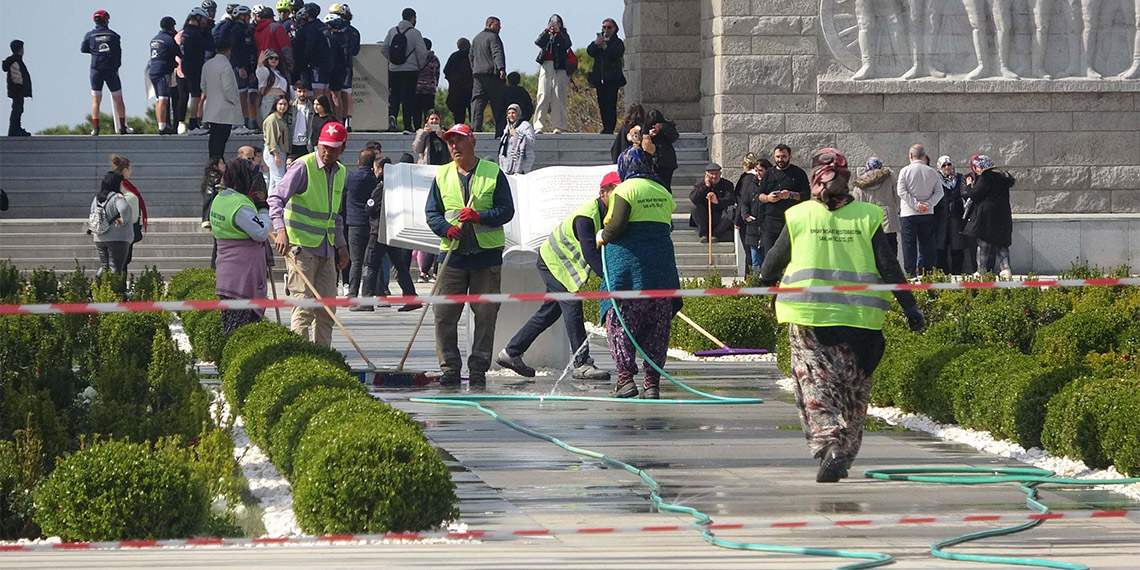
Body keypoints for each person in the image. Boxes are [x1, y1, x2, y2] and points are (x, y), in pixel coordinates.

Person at [760, 147, 924, 482]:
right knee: (852, 391)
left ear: (814, 177)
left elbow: (770, 265)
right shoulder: (867, 215)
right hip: (861, 323)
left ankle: (829, 445)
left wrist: (767, 284)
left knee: (815, 386)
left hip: (810, 318)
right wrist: (910, 306)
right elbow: (889, 265)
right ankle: (845, 452)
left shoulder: (800, 215)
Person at [497, 172, 618, 381]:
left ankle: (511, 352)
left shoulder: (606, 213)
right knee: (573, 309)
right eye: (616, 193)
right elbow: (590, 253)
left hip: (559, 264)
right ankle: (581, 364)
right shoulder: (587, 216)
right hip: (554, 262)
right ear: (603, 193)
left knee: (549, 313)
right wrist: (609, 279)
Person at [424, 123, 515, 389]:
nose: (454, 146)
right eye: (450, 142)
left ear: (472, 142)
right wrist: (446, 228)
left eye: (458, 141)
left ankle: (478, 369)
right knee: (443, 315)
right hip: (452, 257)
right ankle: (450, 368)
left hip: (486, 257)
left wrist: (479, 217)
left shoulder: (492, 172)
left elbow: (506, 210)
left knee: (486, 315)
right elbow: (432, 213)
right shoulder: (442, 176)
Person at [598, 127, 680, 400]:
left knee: (621, 324)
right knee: (657, 326)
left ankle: (625, 380)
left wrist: (602, 235)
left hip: (628, 271)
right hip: (660, 269)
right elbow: (666, 225)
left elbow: (618, 225)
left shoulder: (625, 190)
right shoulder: (662, 190)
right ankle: (652, 383)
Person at [269, 120, 350, 346]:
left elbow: (336, 214)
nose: (327, 152)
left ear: (342, 148)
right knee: (303, 307)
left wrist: (342, 246)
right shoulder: (303, 166)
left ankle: (322, 356)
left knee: (327, 310)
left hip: (327, 248)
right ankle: (301, 357)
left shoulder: (341, 172)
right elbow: (275, 199)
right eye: (324, 146)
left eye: (333, 148)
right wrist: (280, 230)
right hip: (300, 247)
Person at [210, 158, 271, 335]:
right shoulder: (240, 204)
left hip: (227, 272)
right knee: (242, 330)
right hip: (242, 276)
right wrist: (262, 208)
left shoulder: (221, 198)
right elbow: (261, 232)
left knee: (231, 326)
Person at [962, 154, 1014, 279]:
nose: (976, 170)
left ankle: (981, 271)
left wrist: (969, 185)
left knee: (983, 242)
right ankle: (1006, 270)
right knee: (1002, 243)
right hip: (1003, 215)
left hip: (987, 216)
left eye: (976, 167)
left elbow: (973, 195)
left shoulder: (986, 177)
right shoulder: (1003, 177)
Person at [895, 143, 943, 277]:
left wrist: (916, 205)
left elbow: (901, 192)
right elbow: (940, 193)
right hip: (928, 213)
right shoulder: (932, 172)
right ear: (924, 155)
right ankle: (929, 273)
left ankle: (911, 273)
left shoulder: (905, 171)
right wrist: (928, 204)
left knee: (909, 245)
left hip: (908, 213)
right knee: (928, 244)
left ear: (910, 156)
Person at [82, 10, 131, 135]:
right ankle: (123, 127)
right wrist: (116, 65)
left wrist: (96, 51)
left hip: (96, 69)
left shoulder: (89, 35)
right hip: (111, 70)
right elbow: (118, 52)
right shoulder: (113, 35)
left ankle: (96, 128)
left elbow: (83, 49)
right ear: (106, 20)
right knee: (118, 99)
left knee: (96, 99)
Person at [380, 7, 428, 133]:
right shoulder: (415, 33)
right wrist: (419, 65)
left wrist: (392, 61)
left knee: (394, 96)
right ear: (412, 18)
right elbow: (422, 52)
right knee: (408, 98)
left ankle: (392, 119)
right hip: (410, 70)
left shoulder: (392, 31)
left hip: (394, 70)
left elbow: (384, 49)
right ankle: (407, 125)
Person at [757, 144, 809, 256]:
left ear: (790, 156)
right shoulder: (768, 173)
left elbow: (806, 195)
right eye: (778, 157)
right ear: (774, 157)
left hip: (791, 221)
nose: (781, 159)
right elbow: (759, 195)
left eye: (784, 156)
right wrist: (768, 198)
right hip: (770, 221)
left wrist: (790, 195)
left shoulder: (798, 173)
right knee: (769, 255)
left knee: (790, 255)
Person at [344, 148, 377, 308]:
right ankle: (371, 294)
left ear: (358, 163)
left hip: (354, 224)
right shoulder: (374, 180)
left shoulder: (351, 177)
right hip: (370, 224)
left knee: (356, 261)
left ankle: (352, 293)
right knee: (368, 262)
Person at [851, 157, 900, 260]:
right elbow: (897, 196)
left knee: (873, 249)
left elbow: (856, 204)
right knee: (891, 246)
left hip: (869, 220)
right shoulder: (890, 178)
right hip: (888, 218)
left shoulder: (860, 184)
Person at [202, 39, 242, 158]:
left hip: (212, 107)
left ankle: (212, 162)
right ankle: (218, 162)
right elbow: (228, 86)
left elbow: (203, 85)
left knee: (213, 139)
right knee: (221, 140)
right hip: (225, 109)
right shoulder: (225, 65)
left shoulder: (207, 64)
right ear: (228, 51)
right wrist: (234, 99)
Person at [89, 170, 133, 278]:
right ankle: (115, 292)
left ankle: (98, 286)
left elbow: (92, 213)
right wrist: (123, 220)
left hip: (100, 237)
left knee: (105, 267)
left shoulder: (97, 199)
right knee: (116, 268)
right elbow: (124, 208)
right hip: (117, 237)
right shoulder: (117, 197)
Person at [934, 156, 974, 275]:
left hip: (956, 216)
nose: (947, 167)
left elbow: (965, 193)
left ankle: (957, 269)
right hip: (940, 216)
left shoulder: (959, 178)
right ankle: (942, 271)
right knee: (941, 244)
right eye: (944, 165)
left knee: (957, 243)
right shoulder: (936, 179)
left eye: (949, 164)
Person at [533, 14, 571, 135]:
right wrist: (547, 31)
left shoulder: (563, 35)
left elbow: (567, 45)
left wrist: (558, 33)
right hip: (546, 65)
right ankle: (538, 125)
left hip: (559, 67)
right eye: (552, 22)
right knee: (543, 95)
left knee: (558, 97)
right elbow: (538, 42)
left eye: (557, 22)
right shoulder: (546, 34)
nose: (554, 24)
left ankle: (558, 125)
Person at [586, 18, 625, 134]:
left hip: (612, 79)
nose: (606, 30)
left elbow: (616, 55)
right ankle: (605, 126)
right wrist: (595, 44)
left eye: (609, 27)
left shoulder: (617, 43)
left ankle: (610, 127)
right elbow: (590, 52)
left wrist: (605, 47)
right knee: (602, 103)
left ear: (614, 29)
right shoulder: (599, 41)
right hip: (600, 79)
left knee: (611, 103)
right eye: (604, 27)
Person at [181, 7, 215, 135]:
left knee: (195, 95)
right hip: (194, 66)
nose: (205, 21)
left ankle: (194, 123)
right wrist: (207, 32)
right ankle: (193, 125)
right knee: (195, 96)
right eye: (204, 19)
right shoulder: (194, 32)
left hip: (188, 66)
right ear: (197, 18)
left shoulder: (187, 31)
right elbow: (209, 45)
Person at [470, 17, 506, 137]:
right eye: (497, 25)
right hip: (491, 74)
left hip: (477, 74)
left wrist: (474, 68)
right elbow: (497, 52)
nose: (500, 28)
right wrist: (501, 68)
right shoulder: (493, 37)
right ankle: (500, 130)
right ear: (490, 24)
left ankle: (475, 128)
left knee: (478, 102)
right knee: (498, 102)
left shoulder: (476, 38)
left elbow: (471, 56)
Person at [110, 155, 146, 273]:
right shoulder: (124, 186)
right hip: (124, 229)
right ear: (125, 170)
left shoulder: (113, 182)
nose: (131, 171)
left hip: (116, 229)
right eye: (130, 169)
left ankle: (115, 287)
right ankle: (119, 288)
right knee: (122, 262)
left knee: (118, 262)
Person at [149, 17, 182, 135]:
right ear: (171, 27)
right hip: (163, 72)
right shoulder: (168, 39)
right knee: (163, 100)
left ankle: (160, 124)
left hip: (152, 71)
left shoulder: (154, 39)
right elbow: (179, 53)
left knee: (159, 100)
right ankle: (163, 127)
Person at [329, 3, 359, 128]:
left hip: (340, 65)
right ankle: (347, 122)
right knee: (344, 92)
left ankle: (344, 121)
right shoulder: (354, 31)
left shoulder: (345, 32)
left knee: (342, 93)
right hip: (345, 65)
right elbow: (356, 50)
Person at [733, 153, 764, 274]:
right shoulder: (756, 179)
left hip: (748, 219)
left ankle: (749, 277)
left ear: (745, 164)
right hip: (753, 217)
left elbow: (743, 200)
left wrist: (738, 220)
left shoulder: (747, 179)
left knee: (749, 251)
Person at [689, 162, 735, 244]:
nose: (714, 176)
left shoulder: (727, 184)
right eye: (711, 174)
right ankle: (704, 234)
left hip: (720, 216)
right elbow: (693, 198)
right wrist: (706, 187)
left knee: (732, 210)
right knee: (694, 206)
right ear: (706, 175)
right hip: (704, 216)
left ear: (720, 174)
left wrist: (717, 201)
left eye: (716, 174)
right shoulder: (700, 184)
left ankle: (715, 235)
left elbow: (731, 199)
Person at [254, 5, 294, 76]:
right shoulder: (276, 27)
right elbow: (285, 46)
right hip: (277, 63)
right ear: (272, 16)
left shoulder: (257, 30)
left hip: (262, 63)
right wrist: (289, 62)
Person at [645, 109, 679, 189]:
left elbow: (674, 137)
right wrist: (649, 135)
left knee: (666, 186)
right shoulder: (646, 127)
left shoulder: (667, 126)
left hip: (666, 161)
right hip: (652, 161)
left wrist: (662, 128)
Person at [262, 95, 290, 192]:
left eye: (285, 104)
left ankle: (271, 203)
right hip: (273, 152)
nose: (283, 107)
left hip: (281, 151)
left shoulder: (281, 118)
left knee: (273, 181)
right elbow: (271, 139)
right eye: (280, 104)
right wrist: (276, 155)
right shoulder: (272, 119)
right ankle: (280, 203)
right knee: (280, 179)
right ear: (275, 105)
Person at [3, 40, 30, 137]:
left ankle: (16, 128)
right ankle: (14, 130)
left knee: (18, 109)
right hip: (17, 91)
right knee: (17, 110)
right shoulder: (15, 61)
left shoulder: (16, 60)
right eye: (21, 48)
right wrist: (21, 87)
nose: (23, 50)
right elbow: (16, 76)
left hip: (17, 91)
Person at [498, 104, 535, 175]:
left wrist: (517, 134)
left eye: (513, 113)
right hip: (506, 163)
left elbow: (531, 141)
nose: (511, 115)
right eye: (509, 113)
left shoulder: (525, 125)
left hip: (522, 162)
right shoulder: (507, 127)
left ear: (518, 113)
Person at [443, 38, 473, 124]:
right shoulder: (472, 56)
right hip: (471, 88)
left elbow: (446, 70)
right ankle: (475, 129)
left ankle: (459, 129)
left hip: (457, 90)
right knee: (473, 112)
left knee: (459, 114)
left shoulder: (454, 56)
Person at [256, 49, 290, 121]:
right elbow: (260, 72)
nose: (273, 60)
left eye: (276, 58)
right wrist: (260, 62)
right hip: (270, 100)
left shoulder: (280, 73)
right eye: (271, 58)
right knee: (270, 123)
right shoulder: (266, 71)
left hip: (282, 100)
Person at [415, 38, 441, 127]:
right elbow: (437, 73)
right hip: (430, 88)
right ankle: (430, 127)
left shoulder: (416, 58)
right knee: (429, 110)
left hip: (417, 88)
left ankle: (417, 127)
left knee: (416, 109)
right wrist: (435, 85)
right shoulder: (434, 59)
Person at [289, 80, 314, 157]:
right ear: (295, 92)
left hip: (307, 144)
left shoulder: (312, 107)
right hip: (292, 143)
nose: (302, 94)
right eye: (299, 91)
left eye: (304, 91)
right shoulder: (290, 107)